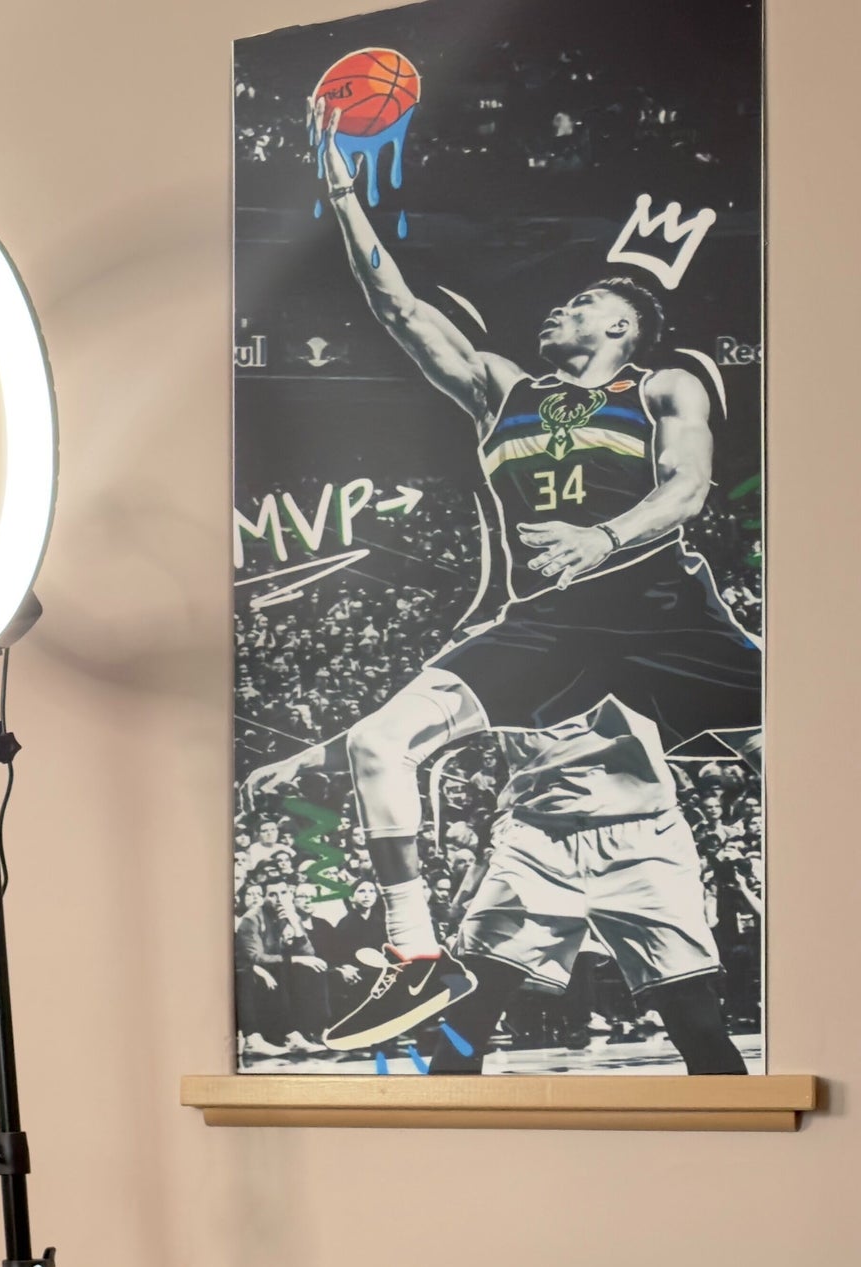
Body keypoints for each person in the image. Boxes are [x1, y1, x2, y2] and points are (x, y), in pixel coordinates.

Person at [241, 98, 760, 1072]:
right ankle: (416, 952)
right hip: (552, 623)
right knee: (379, 743)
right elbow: (396, 306)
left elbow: (688, 486)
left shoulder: (661, 385)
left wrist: (601, 535)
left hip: (658, 611)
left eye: (581, 304)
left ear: (621, 325)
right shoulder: (501, 387)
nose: (557, 309)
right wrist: (340, 189)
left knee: (807, 731)